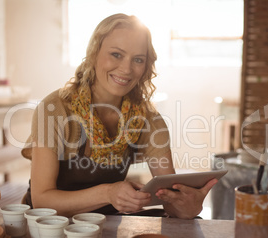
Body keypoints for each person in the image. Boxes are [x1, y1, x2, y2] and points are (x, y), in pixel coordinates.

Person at [22, 13, 217, 219]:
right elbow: (42, 200)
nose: (126, 69)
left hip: (107, 222)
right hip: (50, 226)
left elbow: (170, 198)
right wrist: (108, 193)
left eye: (138, 60)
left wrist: (189, 206)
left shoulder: (149, 120)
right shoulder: (55, 109)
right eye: (116, 54)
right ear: (93, 54)